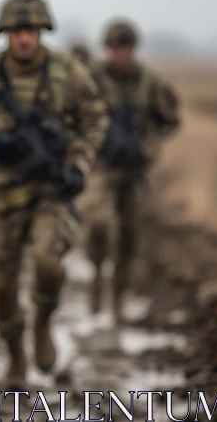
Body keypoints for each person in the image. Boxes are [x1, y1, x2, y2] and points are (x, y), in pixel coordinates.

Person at [0, 0, 108, 388]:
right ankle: (15, 354)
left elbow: (94, 120)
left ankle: (42, 321)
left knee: (48, 262)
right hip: (2, 193)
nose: (24, 39)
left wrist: (78, 165)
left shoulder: (67, 72)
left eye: (31, 30)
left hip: (49, 190)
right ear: (5, 33)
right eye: (16, 31)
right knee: (1, 286)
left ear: (42, 31)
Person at [81, 19, 180, 322]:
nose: (120, 53)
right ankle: (96, 275)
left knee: (128, 237)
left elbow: (169, 119)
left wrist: (150, 144)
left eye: (126, 47)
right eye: (115, 47)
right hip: (101, 168)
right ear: (107, 48)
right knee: (98, 226)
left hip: (134, 171)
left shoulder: (149, 83)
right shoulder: (91, 80)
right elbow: (73, 116)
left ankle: (118, 298)